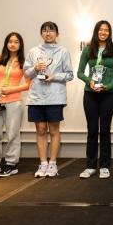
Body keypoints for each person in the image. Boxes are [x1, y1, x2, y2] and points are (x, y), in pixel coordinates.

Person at [24, 21, 74, 178]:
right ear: (41, 34)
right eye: (44, 30)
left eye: (51, 30)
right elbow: (26, 73)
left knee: (53, 130)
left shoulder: (63, 51)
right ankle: (43, 163)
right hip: (36, 97)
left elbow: (70, 74)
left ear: (57, 34)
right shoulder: (33, 52)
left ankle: (52, 163)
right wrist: (35, 68)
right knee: (40, 130)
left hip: (55, 97)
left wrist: (54, 77)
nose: (48, 33)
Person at [77, 20, 113, 179]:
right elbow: (80, 72)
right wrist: (89, 81)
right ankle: (90, 166)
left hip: (108, 94)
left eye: (107, 30)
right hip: (90, 93)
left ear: (110, 33)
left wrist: (109, 86)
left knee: (104, 130)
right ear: (96, 31)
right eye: (101, 30)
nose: (103, 32)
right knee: (91, 130)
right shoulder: (88, 49)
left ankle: (104, 165)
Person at [0, 32, 31, 177]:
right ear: (6, 43)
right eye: (10, 41)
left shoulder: (24, 62)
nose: (12, 44)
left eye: (16, 42)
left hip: (14, 102)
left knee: (12, 134)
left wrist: (11, 89)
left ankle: (11, 164)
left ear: (20, 45)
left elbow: (28, 85)